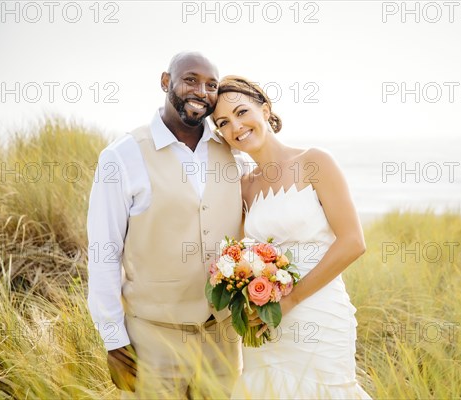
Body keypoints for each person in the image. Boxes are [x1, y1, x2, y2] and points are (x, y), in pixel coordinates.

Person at [86, 53, 243, 399]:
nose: (201, 91)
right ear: (165, 82)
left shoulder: (233, 154)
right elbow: (103, 253)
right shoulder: (122, 156)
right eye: (190, 79)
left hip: (223, 339)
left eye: (211, 85)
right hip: (153, 338)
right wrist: (113, 340)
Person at [212, 76, 371, 399]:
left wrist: (292, 300)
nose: (236, 127)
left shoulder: (314, 162)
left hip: (319, 314)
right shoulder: (243, 186)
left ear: (265, 110)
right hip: (267, 320)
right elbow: (243, 252)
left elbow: (353, 242)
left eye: (242, 112)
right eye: (223, 123)